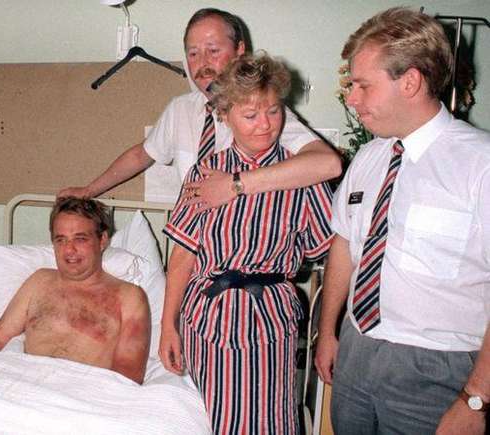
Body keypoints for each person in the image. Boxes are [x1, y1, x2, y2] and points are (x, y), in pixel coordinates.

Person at [313, 7, 489, 435]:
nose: (351, 98)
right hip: (357, 351)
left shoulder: (479, 164)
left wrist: (476, 399)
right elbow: (345, 244)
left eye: (362, 86)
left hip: (437, 369)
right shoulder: (371, 158)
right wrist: (329, 331)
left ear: (410, 82)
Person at [160, 52, 334, 434]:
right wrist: (167, 324)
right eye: (251, 115)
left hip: (268, 320)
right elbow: (183, 253)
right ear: (225, 116)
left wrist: (330, 328)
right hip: (206, 318)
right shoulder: (206, 170)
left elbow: (330, 250)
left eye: (274, 111)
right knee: (205, 420)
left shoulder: (301, 174)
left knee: (270, 422)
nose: (265, 126)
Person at [59, 8, 341, 208]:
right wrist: (88, 190)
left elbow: (327, 164)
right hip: (193, 247)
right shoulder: (180, 110)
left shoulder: (262, 111)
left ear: (240, 50)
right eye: (193, 53)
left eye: (213, 50)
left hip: (244, 253)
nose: (202, 63)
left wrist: (235, 185)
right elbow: (141, 154)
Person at [0, 198, 151, 384]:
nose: (69, 249)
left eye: (80, 239)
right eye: (61, 240)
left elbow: (128, 372)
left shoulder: (129, 297)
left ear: (102, 240)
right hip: (25, 387)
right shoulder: (39, 281)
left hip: (87, 394)